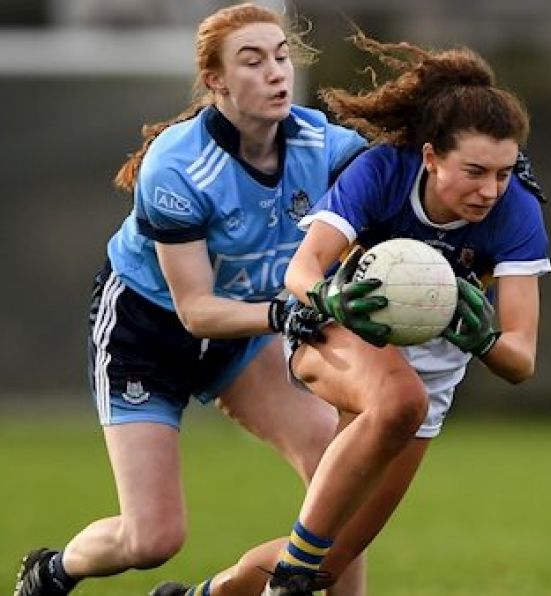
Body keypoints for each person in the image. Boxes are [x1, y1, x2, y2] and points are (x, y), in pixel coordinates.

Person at [157, 31, 551, 596]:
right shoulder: (382, 172)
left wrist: (483, 338)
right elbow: (302, 270)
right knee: (398, 400)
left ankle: (209, 593)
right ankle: (291, 577)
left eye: (503, 173)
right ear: (431, 156)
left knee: (333, 560)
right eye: (474, 171)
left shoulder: (516, 213)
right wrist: (331, 298)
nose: (490, 190)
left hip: (432, 383)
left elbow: (521, 359)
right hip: (337, 334)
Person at [12, 4, 370, 596]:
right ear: (216, 81)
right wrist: (282, 313)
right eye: (252, 61)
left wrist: (496, 177)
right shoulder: (178, 166)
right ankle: (54, 571)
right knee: (152, 540)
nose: (276, 72)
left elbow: (402, 178)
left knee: (341, 479)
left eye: (281, 56)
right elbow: (197, 311)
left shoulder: (324, 143)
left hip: (244, 334)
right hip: (146, 335)